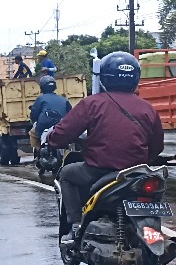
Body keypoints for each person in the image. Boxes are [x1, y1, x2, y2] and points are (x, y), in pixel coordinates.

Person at [48, 52, 164, 243]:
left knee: (66, 174)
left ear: (105, 77)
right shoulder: (147, 108)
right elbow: (156, 146)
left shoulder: (92, 103)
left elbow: (63, 134)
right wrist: (138, 160)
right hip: (136, 173)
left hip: (98, 172)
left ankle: (76, 223)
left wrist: (52, 140)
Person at [28, 76, 72, 155]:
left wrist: (33, 119)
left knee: (32, 134)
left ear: (42, 87)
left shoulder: (41, 99)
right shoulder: (64, 99)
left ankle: (38, 153)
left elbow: (34, 114)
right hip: (62, 126)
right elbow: (71, 113)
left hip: (44, 126)